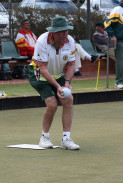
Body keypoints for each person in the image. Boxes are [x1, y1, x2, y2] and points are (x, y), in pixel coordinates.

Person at [29, 15, 80, 150]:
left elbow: (71, 65)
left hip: (57, 74)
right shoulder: (42, 41)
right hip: (39, 74)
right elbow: (44, 69)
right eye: (62, 31)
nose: (65, 34)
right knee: (52, 104)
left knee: (68, 100)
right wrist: (58, 87)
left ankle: (66, 139)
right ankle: (44, 137)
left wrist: (67, 83)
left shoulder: (70, 41)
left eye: (67, 31)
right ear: (54, 32)